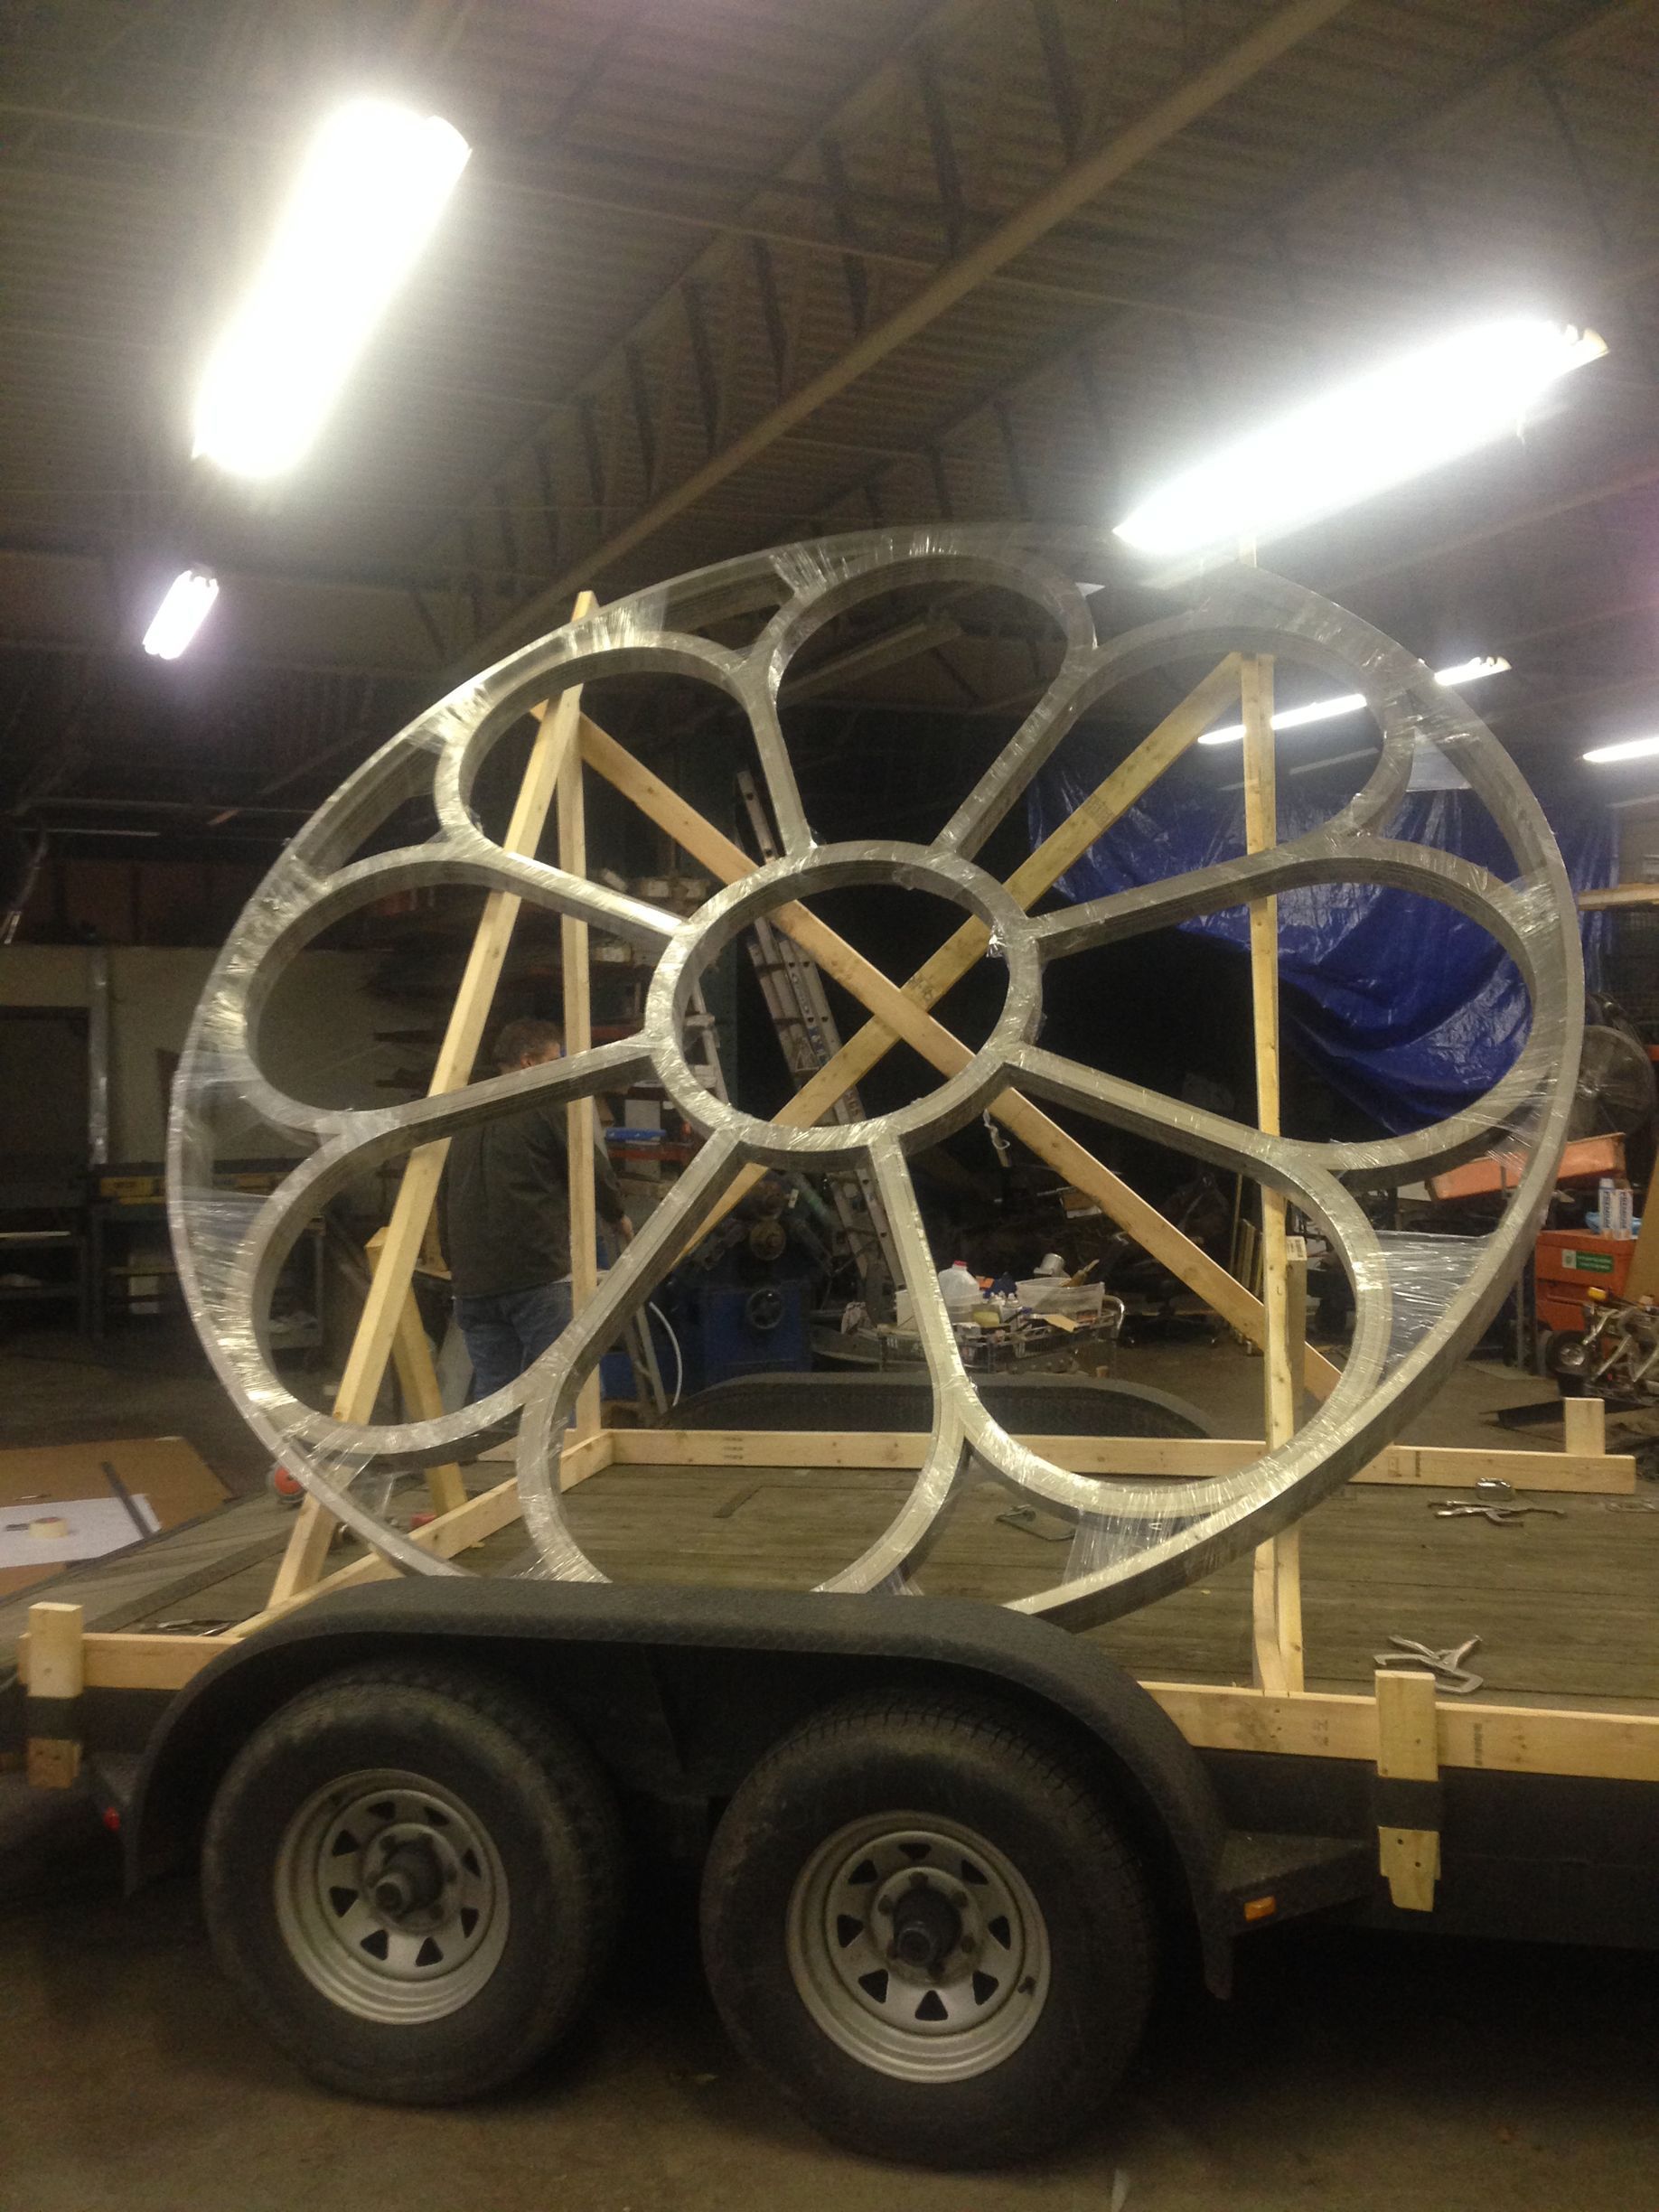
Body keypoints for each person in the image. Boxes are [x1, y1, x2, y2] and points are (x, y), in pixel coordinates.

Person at [440, 1017, 631, 1398]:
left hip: (473, 1285)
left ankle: (498, 1457)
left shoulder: (466, 1114)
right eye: (555, 1059)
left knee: (495, 1401)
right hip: (534, 1276)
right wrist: (617, 1214)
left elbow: (443, 1196)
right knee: (564, 1394)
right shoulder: (543, 1105)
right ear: (529, 1062)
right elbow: (586, 1161)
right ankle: (563, 1458)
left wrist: (456, 1265)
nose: (559, 1068)